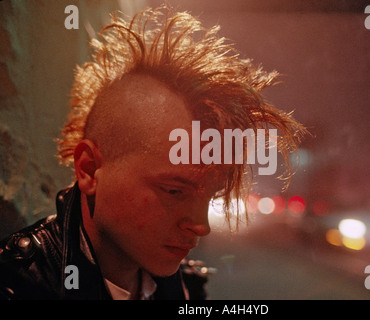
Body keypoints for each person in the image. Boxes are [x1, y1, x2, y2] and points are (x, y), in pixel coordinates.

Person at [0, 6, 307, 300]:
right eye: (174, 190)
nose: (201, 226)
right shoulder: (18, 284)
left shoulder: (187, 286)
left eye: (210, 197)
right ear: (89, 169)